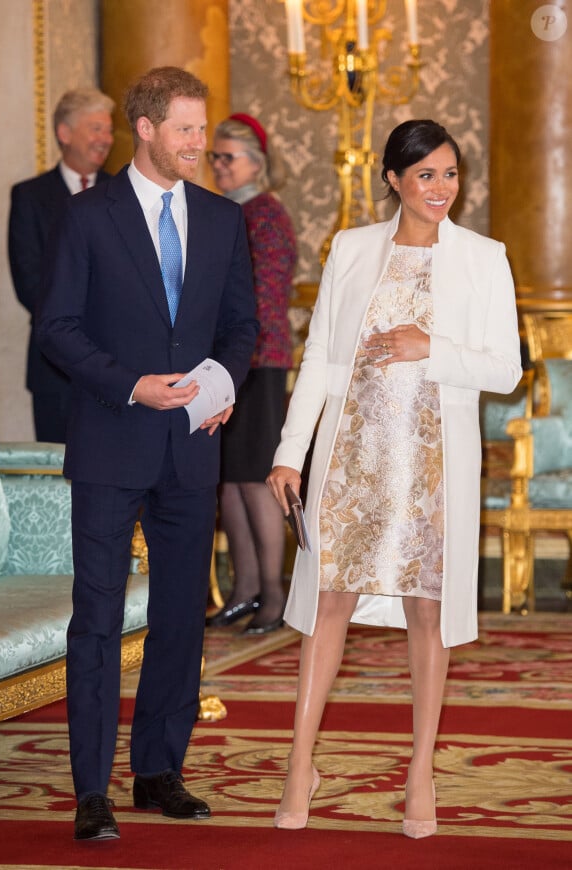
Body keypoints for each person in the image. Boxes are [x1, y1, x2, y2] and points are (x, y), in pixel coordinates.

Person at [266, 120, 522, 837]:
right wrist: (291, 452)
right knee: (328, 609)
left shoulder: (483, 258)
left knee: (427, 616)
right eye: (426, 177)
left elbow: (506, 370)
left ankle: (419, 771)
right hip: (352, 461)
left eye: (450, 174)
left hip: (434, 469)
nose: (442, 189)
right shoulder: (351, 248)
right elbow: (317, 358)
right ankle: (298, 763)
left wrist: (429, 346)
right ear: (393, 181)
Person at [36, 66, 258, 842]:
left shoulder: (222, 220)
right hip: (110, 441)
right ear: (150, 129)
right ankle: (91, 788)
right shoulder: (88, 216)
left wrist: (221, 383)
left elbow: (241, 327)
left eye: (204, 131)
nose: (202, 143)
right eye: (189, 130)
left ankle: (160, 771)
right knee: (96, 621)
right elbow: (57, 328)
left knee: (180, 620)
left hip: (192, 448)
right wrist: (134, 386)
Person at [205, 113, 297, 634]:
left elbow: (261, 295)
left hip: (259, 361)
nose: (218, 165)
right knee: (230, 482)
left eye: (227, 157)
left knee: (258, 481)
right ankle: (243, 590)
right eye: (214, 156)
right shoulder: (221, 210)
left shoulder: (265, 214)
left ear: (256, 164)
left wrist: (232, 349)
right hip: (224, 364)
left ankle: (275, 593)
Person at [8, 87, 115, 442]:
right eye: (96, 129)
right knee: (60, 476)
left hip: (118, 364)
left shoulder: (123, 195)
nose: (106, 139)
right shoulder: (30, 197)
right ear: (64, 133)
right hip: (53, 368)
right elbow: (29, 283)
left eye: (109, 130)